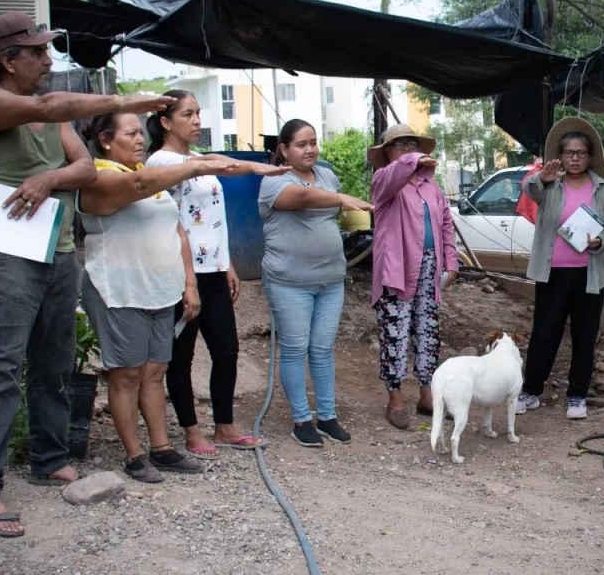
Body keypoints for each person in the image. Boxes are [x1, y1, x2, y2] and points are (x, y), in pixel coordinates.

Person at [0, 11, 176, 538]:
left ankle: (48, 458)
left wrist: (48, 176)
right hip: (6, 253)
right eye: (37, 52)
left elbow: (83, 169)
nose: (48, 58)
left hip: (55, 250)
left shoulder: (49, 113)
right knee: (0, 367)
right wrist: (126, 102)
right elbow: (52, 106)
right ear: (8, 60)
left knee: (53, 362)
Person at [77, 112, 287, 483]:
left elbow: (179, 230)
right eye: (130, 133)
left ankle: (161, 448)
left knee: (155, 372)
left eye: (141, 132)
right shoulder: (99, 178)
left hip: (161, 288)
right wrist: (208, 167)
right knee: (126, 374)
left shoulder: (150, 179)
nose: (140, 139)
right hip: (120, 290)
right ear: (106, 140)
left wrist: (189, 283)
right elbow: (140, 185)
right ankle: (134, 454)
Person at [145, 90, 265, 458]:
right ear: (165, 122)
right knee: (181, 357)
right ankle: (191, 431)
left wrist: (225, 262)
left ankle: (225, 426)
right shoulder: (161, 163)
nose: (197, 120)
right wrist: (188, 281)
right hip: (181, 274)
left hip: (212, 269)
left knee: (226, 349)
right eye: (187, 114)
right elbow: (168, 223)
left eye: (198, 113)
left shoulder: (198, 158)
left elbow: (212, 220)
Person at [260, 120, 372, 445]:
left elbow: (329, 212)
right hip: (289, 281)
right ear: (284, 149)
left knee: (323, 349)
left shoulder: (327, 176)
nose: (309, 149)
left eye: (313, 142)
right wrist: (342, 198)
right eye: (300, 144)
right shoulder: (274, 180)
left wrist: (346, 206)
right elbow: (305, 199)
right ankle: (300, 420)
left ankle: (327, 416)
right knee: (295, 349)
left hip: (331, 280)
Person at [516, 117, 604, 420]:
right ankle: (531, 391)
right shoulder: (551, 183)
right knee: (544, 334)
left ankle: (577, 396)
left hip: (590, 277)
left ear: (590, 157)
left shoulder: (603, 189)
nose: (575, 158)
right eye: (569, 153)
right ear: (561, 156)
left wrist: (602, 239)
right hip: (551, 274)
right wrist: (543, 177)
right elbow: (527, 189)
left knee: (584, 336)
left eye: (580, 153)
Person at [368, 124, 459, 430]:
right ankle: (395, 401)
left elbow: (446, 223)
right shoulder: (384, 180)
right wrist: (412, 160)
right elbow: (395, 174)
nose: (407, 150)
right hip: (397, 269)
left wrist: (451, 261)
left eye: (412, 144)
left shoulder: (431, 185)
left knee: (428, 333)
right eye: (400, 145)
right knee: (395, 333)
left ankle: (426, 397)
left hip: (429, 267)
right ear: (387, 153)